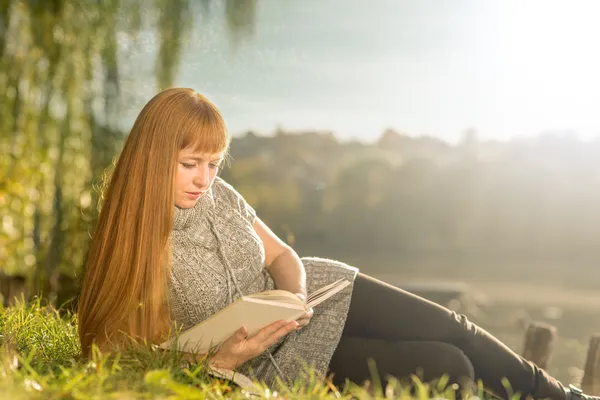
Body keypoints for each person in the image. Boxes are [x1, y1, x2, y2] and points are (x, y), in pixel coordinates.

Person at [77, 88, 594, 400]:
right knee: (448, 367)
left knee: (456, 328)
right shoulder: (134, 242)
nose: (204, 179)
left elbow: (281, 254)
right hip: (273, 358)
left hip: (321, 292)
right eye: (190, 164)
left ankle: (562, 396)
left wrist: (296, 293)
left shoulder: (221, 195)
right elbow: (121, 357)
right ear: (149, 158)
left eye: (213, 164)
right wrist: (221, 365)